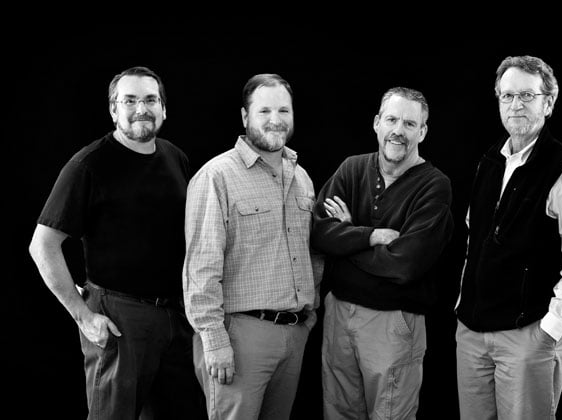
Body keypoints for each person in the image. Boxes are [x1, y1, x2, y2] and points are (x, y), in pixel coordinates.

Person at [28, 66, 207, 419]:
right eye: (130, 100)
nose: (141, 108)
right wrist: (83, 317)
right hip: (119, 318)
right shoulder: (89, 164)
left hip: (177, 316)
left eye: (150, 99)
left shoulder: (175, 157)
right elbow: (42, 245)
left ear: (164, 108)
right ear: (113, 110)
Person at [455, 55, 562, 419]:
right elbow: (473, 242)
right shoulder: (489, 161)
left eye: (527, 95)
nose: (515, 105)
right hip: (472, 336)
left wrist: (549, 330)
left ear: (548, 102)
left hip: (527, 338)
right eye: (507, 96)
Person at [182, 73, 323, 420]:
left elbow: (313, 253)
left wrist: (309, 315)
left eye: (284, 111)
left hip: (294, 333)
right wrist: (214, 340)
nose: (275, 120)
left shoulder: (301, 177)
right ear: (245, 117)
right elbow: (201, 267)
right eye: (264, 111)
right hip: (241, 338)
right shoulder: (217, 176)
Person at [310, 86, 454, 419]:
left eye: (409, 123)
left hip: (393, 323)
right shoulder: (351, 169)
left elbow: (405, 264)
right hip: (339, 315)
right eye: (391, 119)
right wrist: (371, 236)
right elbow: (318, 233)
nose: (398, 131)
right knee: (338, 412)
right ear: (377, 123)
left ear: (423, 131)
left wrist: (346, 239)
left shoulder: (434, 185)